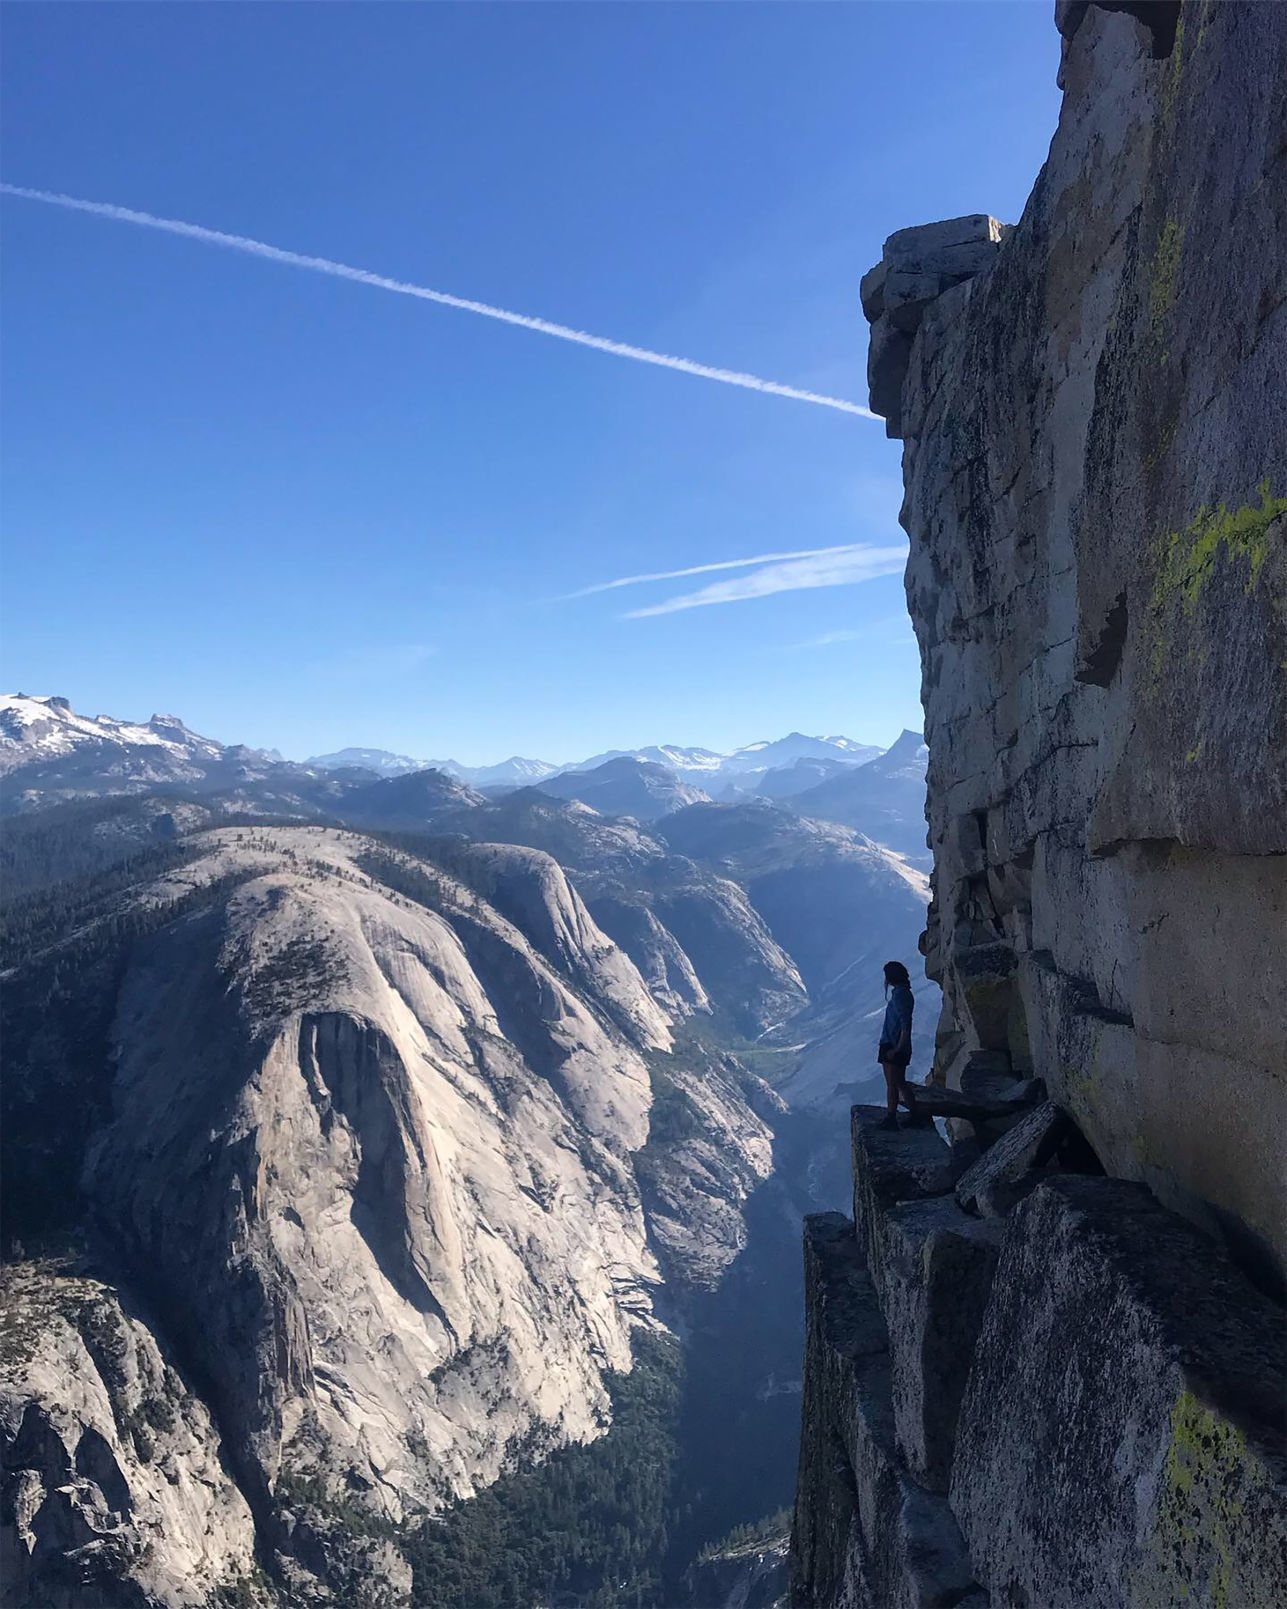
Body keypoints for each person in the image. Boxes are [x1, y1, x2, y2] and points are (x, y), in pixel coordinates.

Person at [876, 960, 916, 1130]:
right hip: (895, 1044)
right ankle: (915, 1115)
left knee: (892, 1084)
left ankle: (891, 1118)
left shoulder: (900, 996)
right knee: (900, 1082)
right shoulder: (903, 993)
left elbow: (905, 1024)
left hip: (893, 1045)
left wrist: (897, 1049)